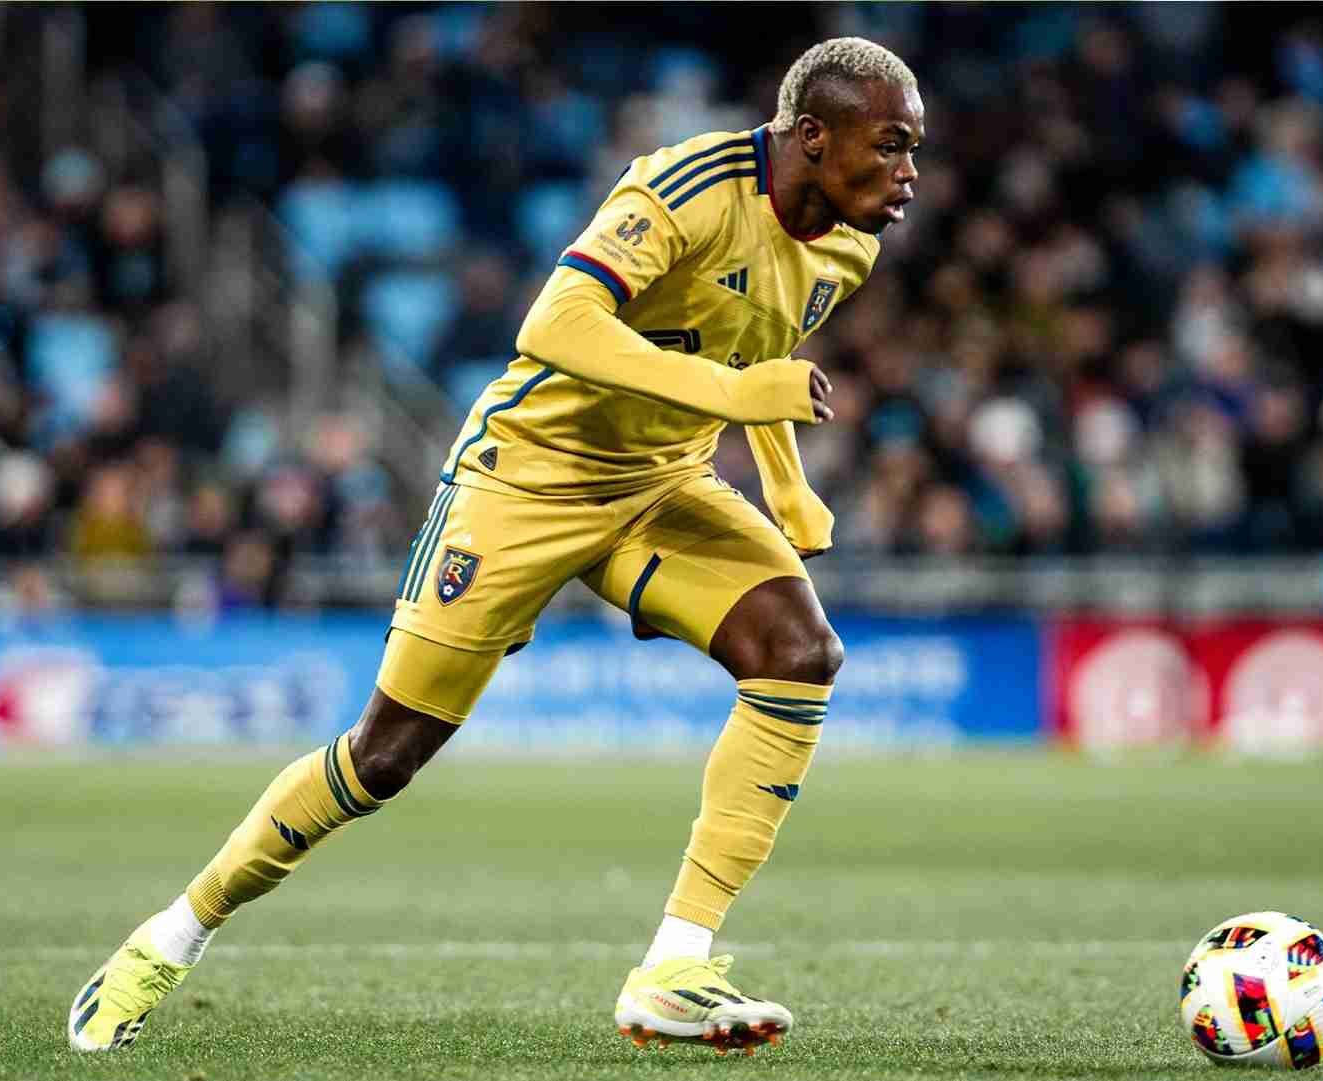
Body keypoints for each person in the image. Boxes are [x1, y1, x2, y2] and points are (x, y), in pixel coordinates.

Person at [68, 37, 923, 1055]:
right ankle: (169, 937)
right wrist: (738, 400)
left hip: (657, 487)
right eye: (893, 145)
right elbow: (555, 324)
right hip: (524, 478)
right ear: (814, 138)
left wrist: (789, 487)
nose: (910, 173)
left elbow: (758, 346)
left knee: (799, 656)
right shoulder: (686, 185)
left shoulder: (847, 242)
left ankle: (673, 965)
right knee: (382, 758)